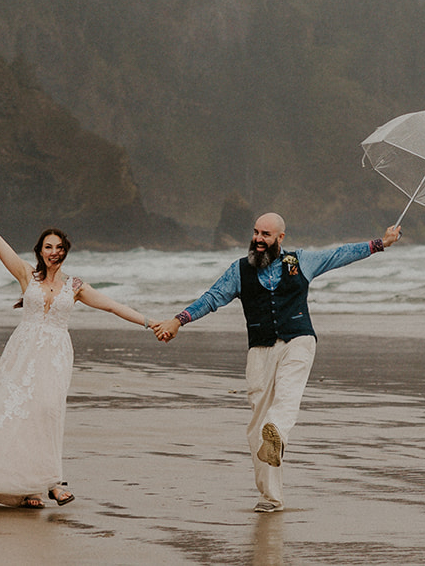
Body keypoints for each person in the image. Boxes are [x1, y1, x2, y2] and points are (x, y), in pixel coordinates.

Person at [0, 198, 153, 508]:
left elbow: (113, 305)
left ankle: (50, 482)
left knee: (46, 413)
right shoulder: (25, 275)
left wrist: (150, 323)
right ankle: (30, 490)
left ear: (65, 251)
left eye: (59, 247)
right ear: (40, 251)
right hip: (22, 353)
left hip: (56, 355)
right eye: (48, 247)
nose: (54, 252)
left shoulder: (75, 286)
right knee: (11, 412)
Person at [150, 212, 401, 513]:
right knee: (257, 426)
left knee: (286, 397)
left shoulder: (301, 262)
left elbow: (339, 254)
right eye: (255, 232)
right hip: (260, 350)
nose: (258, 239)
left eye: (265, 235)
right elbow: (212, 297)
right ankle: (271, 496)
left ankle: (277, 431)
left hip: (299, 340)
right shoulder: (239, 271)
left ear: (280, 238)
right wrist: (179, 320)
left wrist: (380, 243)